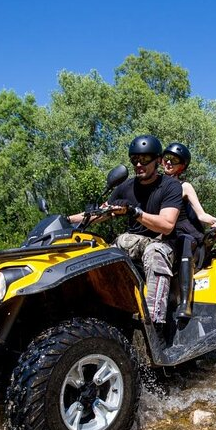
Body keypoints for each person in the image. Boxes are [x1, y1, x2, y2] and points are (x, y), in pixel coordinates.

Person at [69, 135, 183, 325]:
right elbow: (101, 213)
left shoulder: (170, 186)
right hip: (134, 243)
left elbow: (167, 224)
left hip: (164, 243)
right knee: (102, 252)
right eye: (135, 160)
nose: (139, 164)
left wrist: (133, 212)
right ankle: (100, 316)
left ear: (157, 160)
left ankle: (155, 324)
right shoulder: (125, 187)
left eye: (145, 160)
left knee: (154, 252)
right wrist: (66, 219)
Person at [161, 142, 216, 319]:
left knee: (184, 241)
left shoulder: (185, 187)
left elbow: (202, 215)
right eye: (166, 158)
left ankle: (185, 303)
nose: (168, 163)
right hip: (166, 237)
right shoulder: (156, 187)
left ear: (181, 167)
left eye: (174, 160)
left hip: (188, 238)